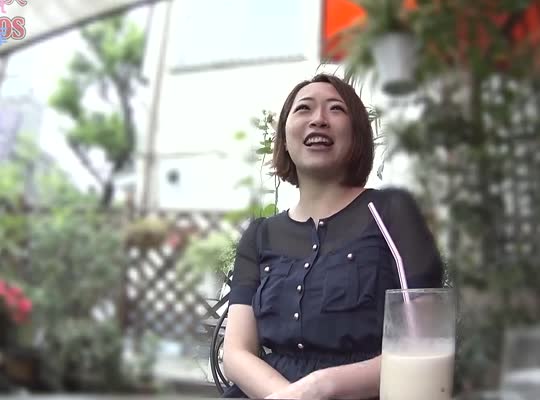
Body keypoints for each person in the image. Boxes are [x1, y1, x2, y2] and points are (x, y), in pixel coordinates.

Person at [222, 74, 444, 400]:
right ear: (284, 138)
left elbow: (424, 345)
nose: (319, 119)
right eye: (304, 109)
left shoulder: (392, 212)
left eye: (336, 109)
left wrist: (321, 387)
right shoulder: (260, 235)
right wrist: (293, 397)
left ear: (356, 135)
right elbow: (236, 353)